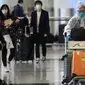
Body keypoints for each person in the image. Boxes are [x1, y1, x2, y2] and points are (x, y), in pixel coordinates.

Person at [0, 4, 19, 72]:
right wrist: (9, 22)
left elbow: (16, 18)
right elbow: (3, 23)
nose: (5, 10)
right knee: (4, 51)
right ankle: (5, 66)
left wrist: (16, 20)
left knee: (13, 51)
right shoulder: (0, 17)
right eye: (3, 9)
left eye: (6, 9)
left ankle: (9, 60)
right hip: (3, 35)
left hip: (11, 35)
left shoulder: (10, 16)